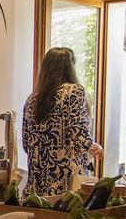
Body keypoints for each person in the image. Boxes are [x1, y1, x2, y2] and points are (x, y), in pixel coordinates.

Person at [22, 47, 102, 197]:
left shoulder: (32, 99)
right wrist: (93, 146)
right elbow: (78, 134)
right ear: (70, 67)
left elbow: (26, 144)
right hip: (65, 179)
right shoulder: (74, 92)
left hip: (37, 180)